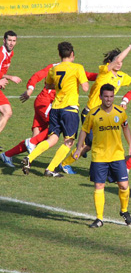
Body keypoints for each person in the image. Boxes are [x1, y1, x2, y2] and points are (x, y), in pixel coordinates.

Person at [59, 35, 131, 174]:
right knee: (93, 143)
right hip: (90, 113)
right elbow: (117, 59)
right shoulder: (104, 71)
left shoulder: (121, 77)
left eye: (121, 62)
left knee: (92, 143)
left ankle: (72, 160)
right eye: (117, 61)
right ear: (110, 62)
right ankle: (65, 163)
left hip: (103, 116)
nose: (119, 63)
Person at [0, 64, 97, 168]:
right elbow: (37, 76)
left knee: (37, 139)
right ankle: (50, 166)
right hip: (46, 103)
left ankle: (7, 155)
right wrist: (30, 90)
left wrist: (104, 75)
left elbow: (88, 75)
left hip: (42, 103)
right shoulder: (60, 67)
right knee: (54, 129)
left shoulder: (57, 67)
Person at [21, 41, 89, 177]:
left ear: (59, 54)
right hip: (69, 109)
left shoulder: (53, 69)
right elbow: (86, 87)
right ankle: (50, 169)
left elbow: (48, 86)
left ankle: (30, 157)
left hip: (55, 108)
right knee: (69, 142)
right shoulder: (77, 68)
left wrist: (61, 86)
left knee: (52, 139)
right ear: (72, 54)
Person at [73, 83, 131, 228]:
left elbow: (125, 127)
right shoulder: (93, 113)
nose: (109, 99)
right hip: (99, 156)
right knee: (99, 185)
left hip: (117, 155)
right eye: (106, 96)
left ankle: (124, 211)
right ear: (100, 97)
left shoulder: (120, 112)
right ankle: (99, 219)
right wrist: (78, 148)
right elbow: (83, 130)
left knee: (123, 185)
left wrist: (130, 145)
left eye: (111, 96)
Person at [0, 30, 22, 149]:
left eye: (14, 41)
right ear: (4, 40)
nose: (11, 43)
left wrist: (6, 77)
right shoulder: (1, 54)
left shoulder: (10, 53)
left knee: (7, 112)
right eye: (9, 40)